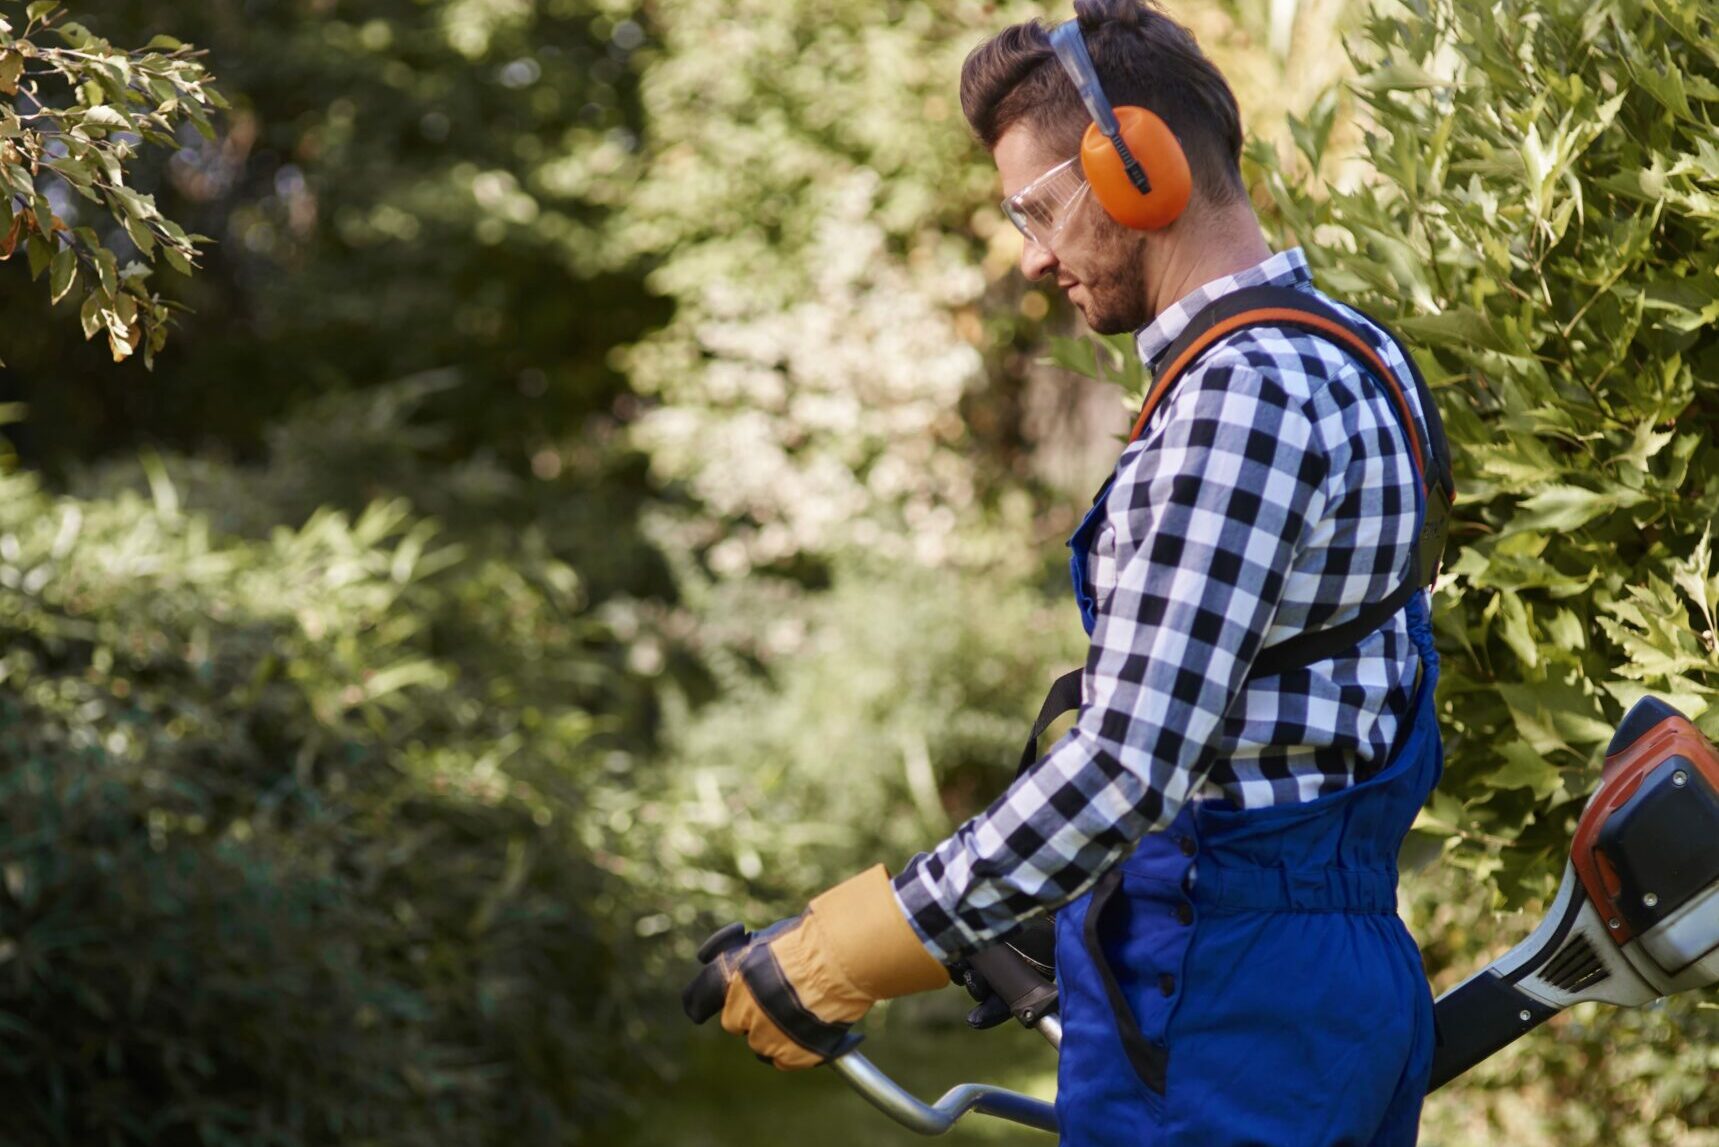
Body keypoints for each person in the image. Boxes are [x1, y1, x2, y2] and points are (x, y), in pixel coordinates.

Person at [684, 2, 1454, 1143]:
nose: (1034, 255)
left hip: (1223, 1004)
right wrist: (1074, 905)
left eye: (1038, 209)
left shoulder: (1236, 400)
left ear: (1138, 165)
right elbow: (1302, 706)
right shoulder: (1356, 352)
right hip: (1330, 977)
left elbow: (1131, 762)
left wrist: (856, 946)